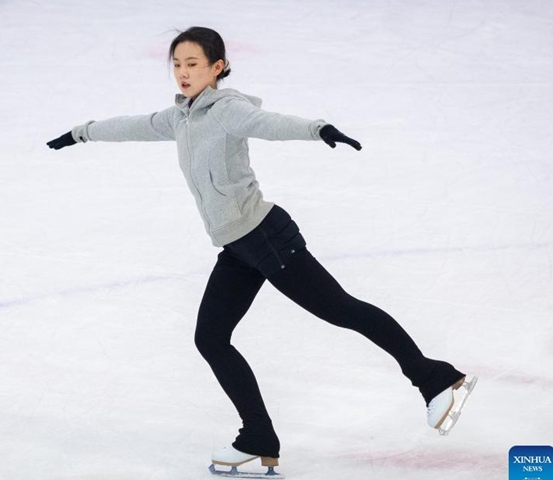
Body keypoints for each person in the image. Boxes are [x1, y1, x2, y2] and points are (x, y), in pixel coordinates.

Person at [47, 26, 475, 473]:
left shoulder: (227, 110)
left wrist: (318, 129)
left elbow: (268, 124)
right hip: (238, 248)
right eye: (176, 64)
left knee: (342, 310)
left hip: (267, 239)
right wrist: (82, 133)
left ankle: (436, 379)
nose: (182, 73)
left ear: (218, 67)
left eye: (193, 64)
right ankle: (258, 436)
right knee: (210, 339)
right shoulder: (181, 117)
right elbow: (134, 126)